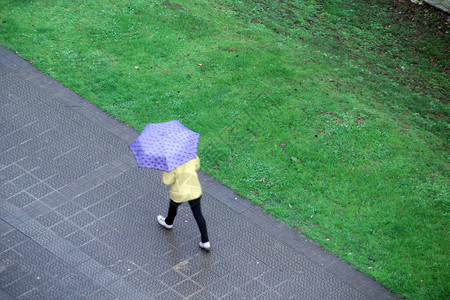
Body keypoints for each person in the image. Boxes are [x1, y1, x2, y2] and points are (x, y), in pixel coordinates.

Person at [157, 156, 210, 251]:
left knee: (173, 207)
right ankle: (205, 241)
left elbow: (168, 181)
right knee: (198, 215)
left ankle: (168, 222)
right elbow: (197, 165)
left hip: (179, 192)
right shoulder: (189, 154)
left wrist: (164, 169)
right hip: (194, 189)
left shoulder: (170, 161)